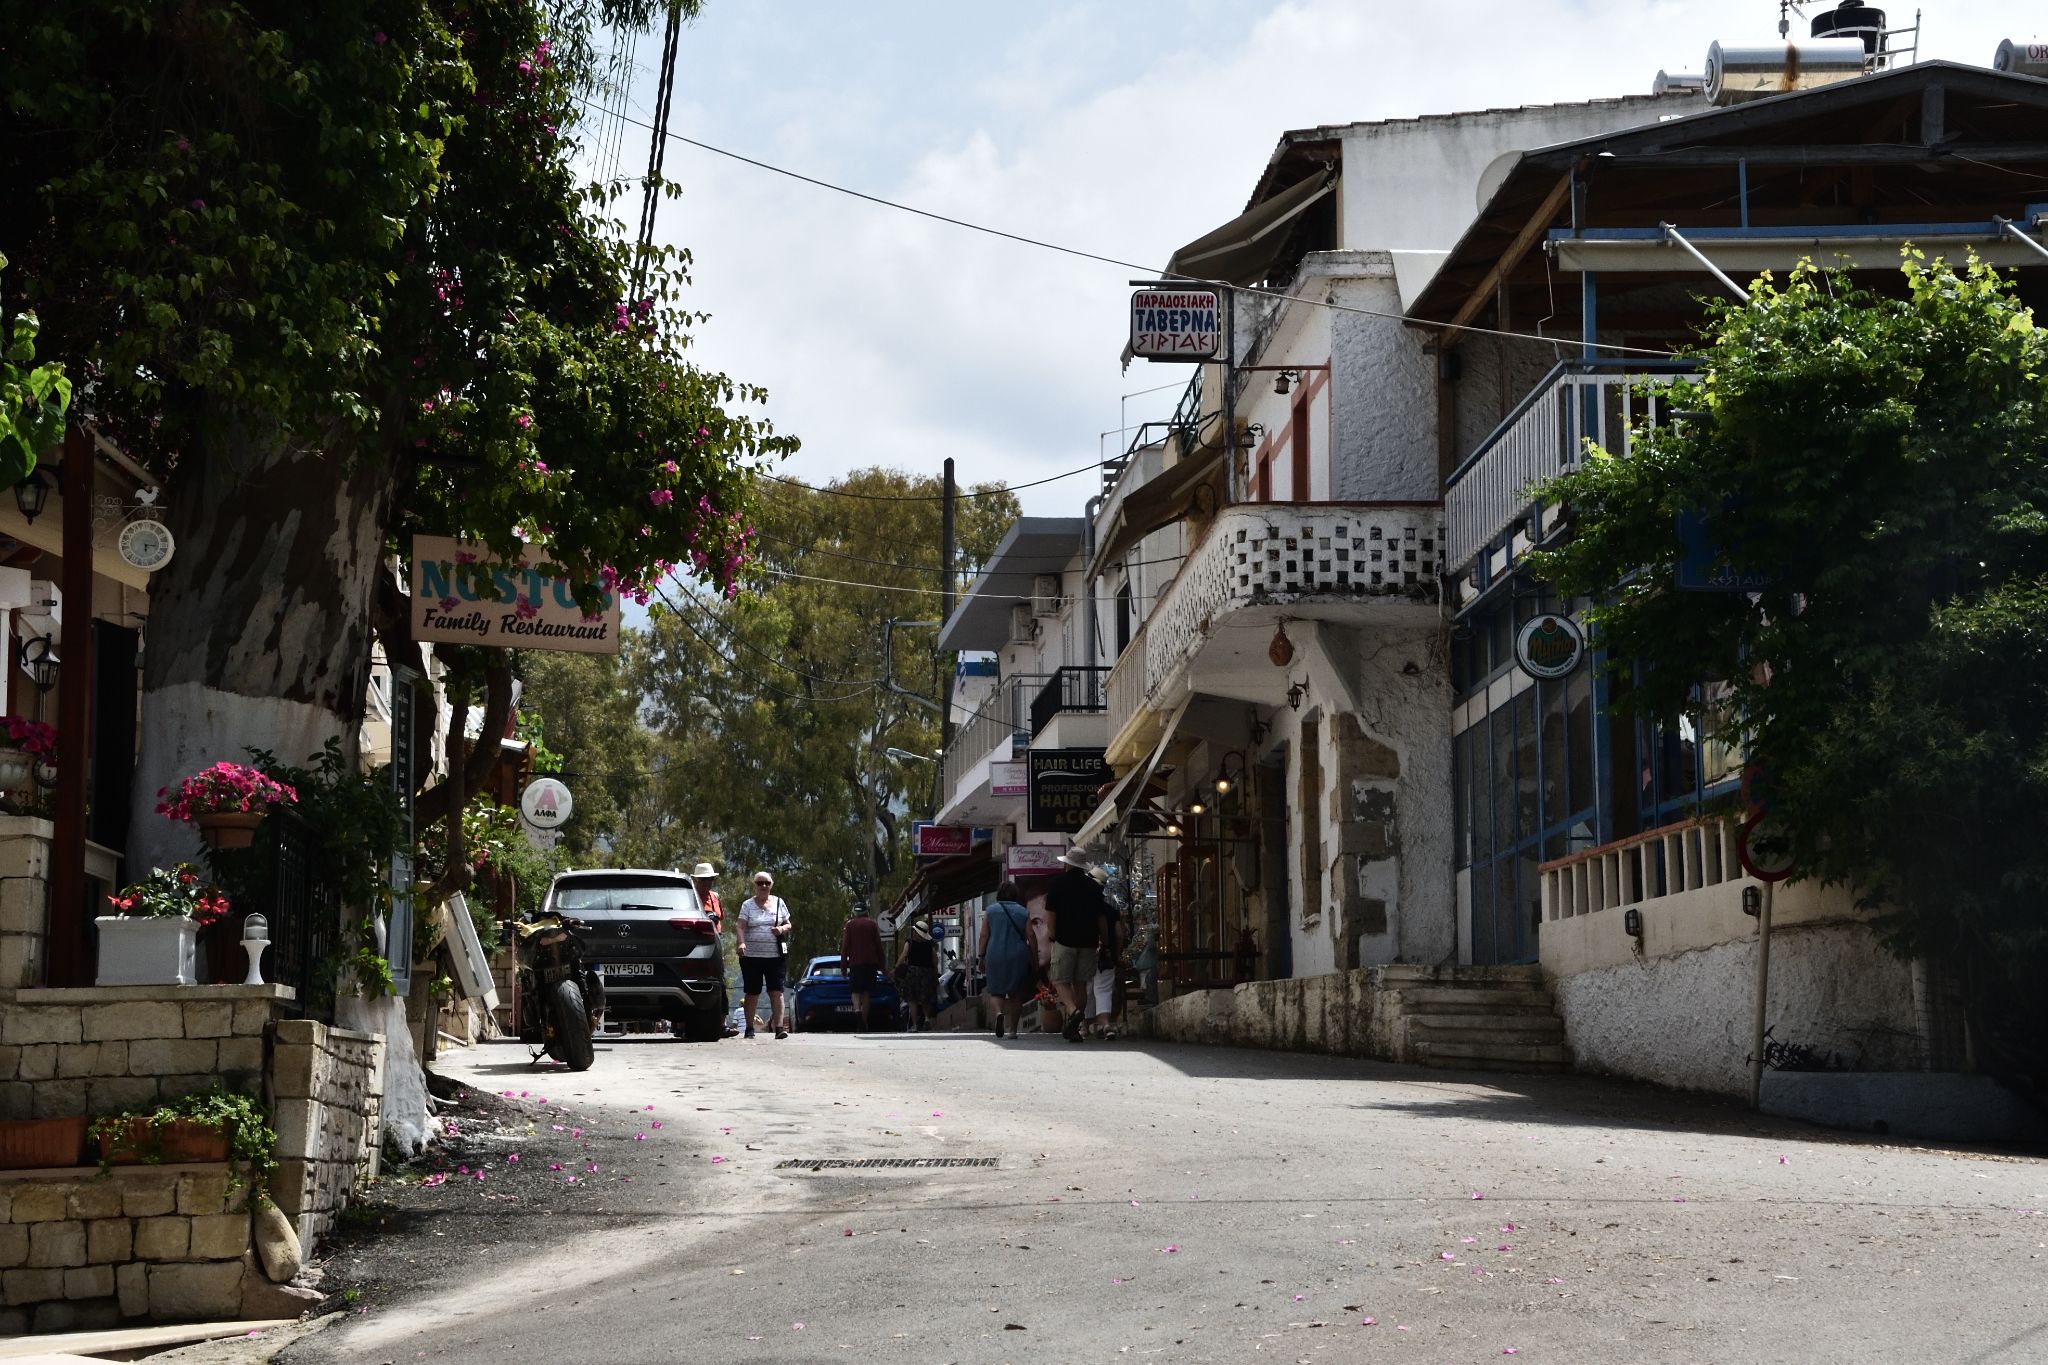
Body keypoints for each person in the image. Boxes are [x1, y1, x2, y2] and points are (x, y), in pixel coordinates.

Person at [1044, 849, 1107, 1043]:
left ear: (1068, 864)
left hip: (1064, 940)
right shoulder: (1094, 887)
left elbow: (1051, 914)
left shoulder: (1057, 884)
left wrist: (1053, 936)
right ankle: (1076, 1029)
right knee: (1081, 984)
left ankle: (1073, 1011)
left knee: (1060, 980)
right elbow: (1101, 918)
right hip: (1088, 942)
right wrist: (1104, 940)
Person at [736, 871, 791, 1039]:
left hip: (775, 956)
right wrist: (741, 942)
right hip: (751, 956)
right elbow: (740, 926)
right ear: (755, 885)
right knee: (752, 991)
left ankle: (779, 1028)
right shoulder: (747, 905)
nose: (764, 886)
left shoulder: (779, 903)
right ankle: (749, 1028)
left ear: (771, 885)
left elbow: (788, 923)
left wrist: (781, 929)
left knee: (777, 991)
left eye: (767, 883)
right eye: (760, 883)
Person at [976, 882, 1034, 1039]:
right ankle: (1013, 1031)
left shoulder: (990, 911)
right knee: (1016, 994)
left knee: (996, 991)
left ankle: (999, 1013)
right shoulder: (1023, 912)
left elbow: (984, 935)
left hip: (995, 953)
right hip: (1018, 954)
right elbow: (1030, 934)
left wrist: (981, 957)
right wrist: (1033, 954)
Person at [1086, 864, 1122, 1040]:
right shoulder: (1111, 911)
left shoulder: (1083, 908)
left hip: (1086, 952)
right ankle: (1105, 1024)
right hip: (1106, 956)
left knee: (1086, 989)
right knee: (1104, 990)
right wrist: (1116, 953)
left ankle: (1084, 1027)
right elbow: (1119, 934)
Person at [839, 901, 886, 1030]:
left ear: (855, 912)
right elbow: (878, 947)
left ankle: (857, 1011)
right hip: (871, 963)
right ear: (866, 911)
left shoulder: (850, 925)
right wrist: (883, 967)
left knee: (855, 991)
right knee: (866, 992)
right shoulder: (872, 924)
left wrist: (843, 966)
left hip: (855, 963)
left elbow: (845, 947)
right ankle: (864, 1023)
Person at [896, 919, 939, 1031]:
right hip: (927, 973)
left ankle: (915, 1024)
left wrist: (896, 967)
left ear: (915, 933)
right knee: (926, 999)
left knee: (912, 1000)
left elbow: (904, 955)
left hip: (912, 973)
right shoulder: (930, 945)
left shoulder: (909, 942)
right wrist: (935, 974)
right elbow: (935, 960)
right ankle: (927, 1020)